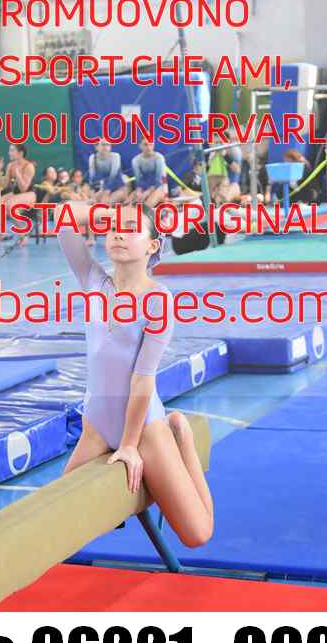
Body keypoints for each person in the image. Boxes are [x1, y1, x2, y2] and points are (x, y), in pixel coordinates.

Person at [55, 199, 214, 548]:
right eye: (113, 228)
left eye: (130, 230)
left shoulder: (159, 300)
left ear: (152, 246)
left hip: (144, 428)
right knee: (57, 516)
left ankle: (180, 434)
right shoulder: (93, 281)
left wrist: (128, 445)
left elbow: (142, 379)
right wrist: (111, 212)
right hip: (97, 426)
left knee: (197, 534)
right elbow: (63, 215)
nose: (118, 234)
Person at [0, 144, 36, 247]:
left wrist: (17, 173)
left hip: (29, 194)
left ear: (20, 153)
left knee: (10, 206)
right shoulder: (10, 165)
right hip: (15, 193)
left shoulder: (29, 166)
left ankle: (23, 232)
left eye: (12, 151)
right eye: (9, 150)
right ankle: (1, 233)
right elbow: (4, 185)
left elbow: (24, 188)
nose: (9, 153)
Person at [88, 138, 128, 205]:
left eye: (108, 145)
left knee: (105, 203)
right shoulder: (93, 158)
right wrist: (92, 197)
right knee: (91, 202)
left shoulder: (115, 156)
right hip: (105, 189)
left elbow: (113, 177)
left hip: (120, 189)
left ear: (110, 147)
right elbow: (92, 179)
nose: (105, 147)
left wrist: (106, 194)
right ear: (96, 147)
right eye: (103, 144)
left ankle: (119, 201)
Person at [129, 139, 167, 207]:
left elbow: (159, 181)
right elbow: (139, 180)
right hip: (145, 188)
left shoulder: (159, 158)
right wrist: (139, 191)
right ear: (140, 146)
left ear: (154, 145)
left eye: (151, 144)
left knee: (147, 205)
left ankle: (144, 208)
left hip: (159, 187)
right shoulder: (136, 160)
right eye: (145, 145)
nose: (149, 147)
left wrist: (147, 192)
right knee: (129, 201)